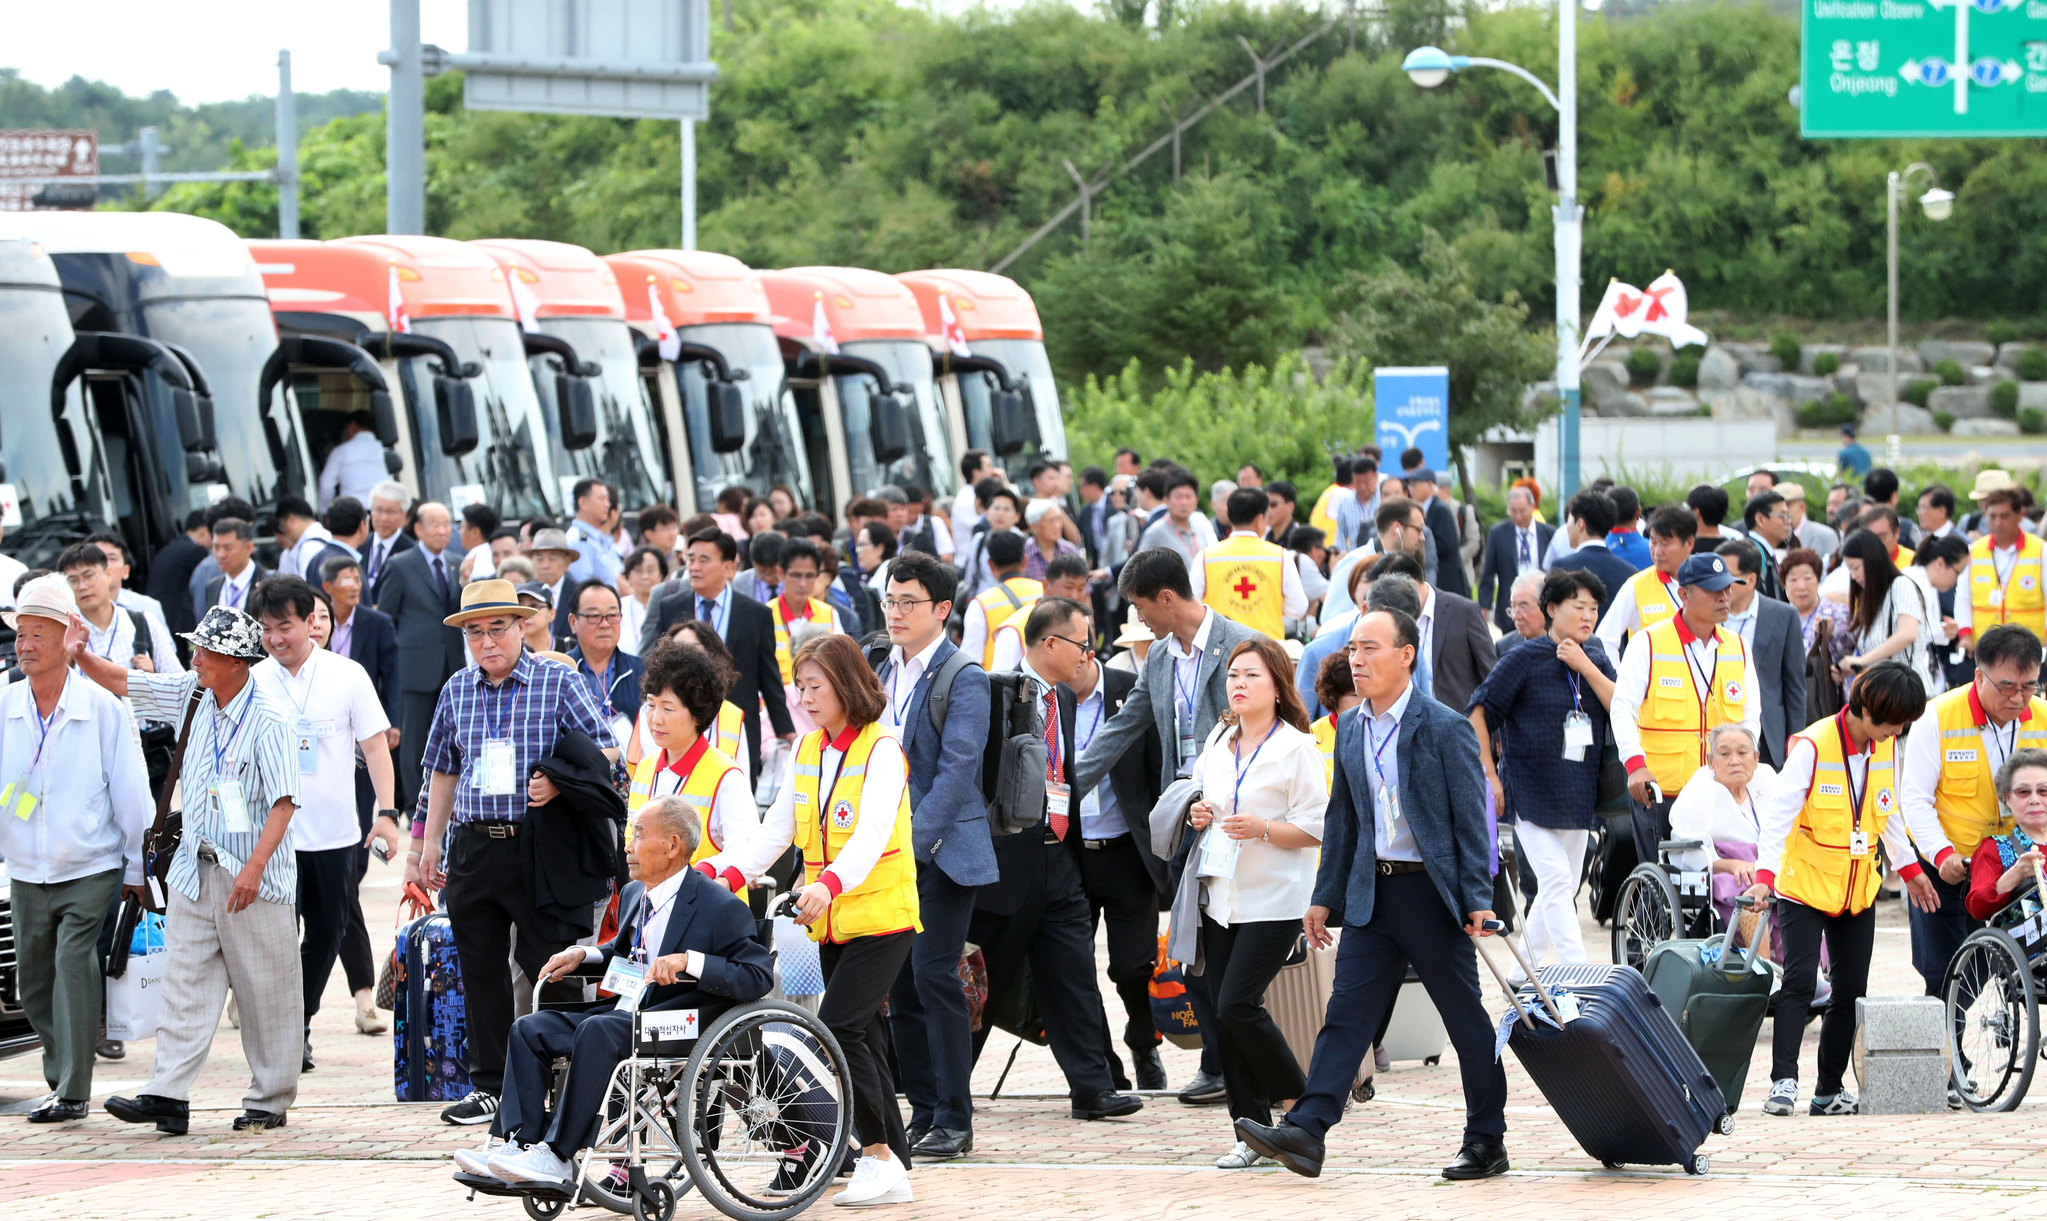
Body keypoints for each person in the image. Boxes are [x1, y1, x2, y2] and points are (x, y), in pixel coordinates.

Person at [1234, 607, 1506, 1180]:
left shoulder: (1443, 725)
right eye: (1353, 648)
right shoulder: (1351, 727)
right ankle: (1308, 1131)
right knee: (1346, 1017)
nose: (1357, 659)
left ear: (1405, 655)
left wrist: (1477, 898)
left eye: (1371, 648)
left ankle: (1487, 1140)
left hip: (1432, 897)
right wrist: (1324, 895)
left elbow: (1470, 824)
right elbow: (1345, 821)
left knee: (1465, 1021)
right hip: (1370, 896)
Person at [464, 795, 774, 1189]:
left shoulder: (719, 905)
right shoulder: (633, 894)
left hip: (677, 1021)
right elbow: (626, 953)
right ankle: (519, 1143)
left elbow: (756, 974)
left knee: (598, 1031)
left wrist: (689, 962)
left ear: (673, 845)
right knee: (528, 1029)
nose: (627, 846)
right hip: (626, 1013)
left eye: (639, 835)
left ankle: (557, 1155)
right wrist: (584, 953)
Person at [74, 605, 303, 1136]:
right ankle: (167, 1094)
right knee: (182, 983)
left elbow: (284, 804)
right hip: (193, 868)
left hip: (253, 878)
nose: (194, 657)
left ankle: (270, 1097)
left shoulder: (270, 719)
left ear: (236, 660)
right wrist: (79, 652)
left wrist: (253, 868)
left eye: (205, 650)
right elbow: (120, 680)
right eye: (196, 648)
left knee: (265, 990)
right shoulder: (191, 694)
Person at [416, 578, 619, 1126]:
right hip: (474, 845)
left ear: (521, 626)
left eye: (497, 629)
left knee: (549, 967)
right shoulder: (457, 688)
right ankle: (488, 1086)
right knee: (477, 968)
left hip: (540, 845)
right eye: (475, 633)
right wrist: (429, 844)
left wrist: (556, 779)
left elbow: (605, 751)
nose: (487, 643)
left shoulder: (557, 680)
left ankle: (565, 1079)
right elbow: (442, 767)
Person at [1074, 548, 1266, 1105]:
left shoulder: (1242, 646)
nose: (1141, 623)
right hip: (1182, 816)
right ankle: (1218, 1058)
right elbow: (1124, 726)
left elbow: (1270, 725)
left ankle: (1233, 1060)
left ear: (1167, 597)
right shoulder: (1158, 659)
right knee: (1192, 944)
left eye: (1141, 608)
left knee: (1234, 941)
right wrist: (1062, 789)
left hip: (1232, 817)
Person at [739, 634, 924, 1205]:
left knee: (840, 1028)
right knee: (862, 1034)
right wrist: (725, 871)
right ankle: (892, 1160)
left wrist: (826, 883)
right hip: (831, 920)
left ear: (846, 684)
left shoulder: (882, 749)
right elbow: (777, 830)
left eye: (815, 686)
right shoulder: (808, 750)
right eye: (800, 688)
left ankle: (875, 1156)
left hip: (882, 914)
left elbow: (869, 835)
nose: (806, 697)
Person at [972, 598, 1146, 1120]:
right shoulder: (990, 694)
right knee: (987, 982)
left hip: (1061, 860)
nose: (1088, 656)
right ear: (1050, 643)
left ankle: (1092, 1088)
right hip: (1005, 866)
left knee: (1073, 975)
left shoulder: (1063, 699)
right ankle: (942, 1090)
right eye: (1081, 644)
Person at [1746, 663, 1938, 1117]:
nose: (1898, 731)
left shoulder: (1886, 747)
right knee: (1797, 982)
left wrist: (1909, 869)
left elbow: (1886, 812)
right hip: (1806, 886)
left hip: (1857, 890)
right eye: (1894, 722)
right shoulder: (1813, 746)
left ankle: (1828, 1090)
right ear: (1867, 709)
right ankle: (1783, 1083)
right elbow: (1778, 817)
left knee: (1851, 990)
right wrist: (1764, 877)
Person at [1, 576, 152, 1123]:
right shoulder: (6, 706)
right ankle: (59, 1074)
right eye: (21, 635)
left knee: (72, 963)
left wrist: (137, 865)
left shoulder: (102, 708)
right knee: (35, 982)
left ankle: (72, 1091)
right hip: (25, 867)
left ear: (69, 638)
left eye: (39, 634)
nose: (26, 646)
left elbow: (132, 793)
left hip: (90, 864)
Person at [869, 550, 999, 1159]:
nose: (895, 613)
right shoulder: (877, 666)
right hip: (884, 850)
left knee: (933, 974)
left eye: (908, 603)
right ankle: (922, 1111)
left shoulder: (961, 675)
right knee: (900, 984)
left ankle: (955, 1115)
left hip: (942, 851)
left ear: (942, 610)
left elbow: (957, 771)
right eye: (890, 601)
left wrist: (912, 846)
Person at [240, 577, 398, 1073]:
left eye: (285, 626)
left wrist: (388, 815)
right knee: (275, 938)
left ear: (312, 623)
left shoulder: (347, 675)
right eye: (266, 629)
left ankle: (299, 1019)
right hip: (270, 838)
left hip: (332, 834)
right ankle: (287, 1034)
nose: (276, 638)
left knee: (328, 931)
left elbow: (374, 747)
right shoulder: (252, 680)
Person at [1184, 638, 1326, 1168]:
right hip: (1221, 892)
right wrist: (1199, 812)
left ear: (1277, 686)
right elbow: (1199, 793)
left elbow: (1316, 826)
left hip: (1275, 898)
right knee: (1226, 1019)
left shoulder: (1297, 748)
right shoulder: (1220, 739)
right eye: (1233, 676)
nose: (1239, 685)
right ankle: (1253, 1136)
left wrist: (1265, 828)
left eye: (1252, 676)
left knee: (1236, 1005)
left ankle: (1301, 1102)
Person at [1469, 569, 1616, 967]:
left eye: (1594, 608)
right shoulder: (1522, 657)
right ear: (1552, 609)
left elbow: (1621, 707)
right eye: (1579, 607)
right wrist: (1490, 774)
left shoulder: (1596, 657)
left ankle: (1521, 974)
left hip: (1578, 790)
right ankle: (1579, 973)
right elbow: (1479, 713)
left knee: (1561, 889)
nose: (1589, 616)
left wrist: (1586, 666)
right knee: (1554, 882)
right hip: (1530, 790)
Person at [1901, 624, 2047, 995]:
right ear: (1979, 676)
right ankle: (1947, 1049)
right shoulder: (1937, 717)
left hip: (2019, 866)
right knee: (1945, 972)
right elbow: (1915, 799)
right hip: (1951, 866)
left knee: (2016, 969)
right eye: (2007, 687)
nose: (2018, 698)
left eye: (2028, 685)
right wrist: (1942, 854)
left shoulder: (2043, 717)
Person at [1064, 617, 1169, 1095]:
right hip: (1073, 856)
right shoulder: (1048, 703)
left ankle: (1143, 1039)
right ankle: (1103, 1066)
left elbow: (1155, 765)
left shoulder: (1131, 691)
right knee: (1073, 968)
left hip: (1128, 853)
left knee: (1132, 966)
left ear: (1087, 654)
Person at [1612, 552, 1764, 866]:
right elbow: (1622, 707)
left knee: (1717, 880)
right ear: (1685, 594)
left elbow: (1751, 715)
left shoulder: (1738, 647)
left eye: (1727, 589)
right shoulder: (1648, 643)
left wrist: (1741, 765)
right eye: (1713, 591)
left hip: (1718, 791)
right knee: (1660, 877)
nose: (1724, 598)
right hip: (1661, 787)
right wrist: (1635, 764)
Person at [640, 527, 794, 779]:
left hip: (738, 730)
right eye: (690, 558)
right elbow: (655, 665)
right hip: (682, 728)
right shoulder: (671, 606)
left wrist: (785, 730)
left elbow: (770, 678)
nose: (694, 566)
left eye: (704, 559)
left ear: (729, 567)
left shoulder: (756, 614)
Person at [622, 641, 756, 892]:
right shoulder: (645, 768)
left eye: (668, 708)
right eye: (651, 705)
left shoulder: (725, 775)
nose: (655, 719)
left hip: (707, 913)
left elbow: (747, 847)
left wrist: (701, 872)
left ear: (697, 714)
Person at [376, 501, 465, 812]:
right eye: (435, 524)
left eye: (447, 524)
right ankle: (416, 804)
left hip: (452, 662)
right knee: (413, 740)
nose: (443, 530)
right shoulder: (400, 564)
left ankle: (452, 800)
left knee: (455, 734)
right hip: (414, 665)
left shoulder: (458, 562)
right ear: (418, 528)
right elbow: (386, 618)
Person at [1667, 725, 1777, 931]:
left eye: (1742, 753)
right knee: (1749, 895)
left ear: (1755, 758)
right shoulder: (1700, 790)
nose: (1734, 760)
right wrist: (1732, 864)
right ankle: (1761, 963)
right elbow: (1691, 853)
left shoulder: (1768, 781)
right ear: (1710, 761)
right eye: (1724, 754)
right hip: (1722, 874)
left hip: (1768, 868)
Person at [1717, 539, 1807, 770]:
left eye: (1727, 576)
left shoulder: (1783, 615)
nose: (1718, 584)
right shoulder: (1708, 614)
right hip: (1717, 725)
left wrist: (1795, 744)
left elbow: (1794, 685)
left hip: (1767, 733)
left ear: (1750, 580)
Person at [1189, 487, 1307, 642]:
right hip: (1267, 648)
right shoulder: (1280, 556)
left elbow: (1192, 606)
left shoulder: (1206, 557)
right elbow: (1298, 608)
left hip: (1220, 648)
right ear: (1260, 519)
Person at [1595, 503, 1697, 653]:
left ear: (1689, 543)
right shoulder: (1637, 586)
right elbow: (1605, 639)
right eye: (1653, 542)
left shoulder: (1707, 583)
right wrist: (1618, 675)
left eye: (1665, 544)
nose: (1657, 552)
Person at [1837, 528, 1928, 693]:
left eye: (1856, 567)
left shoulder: (1901, 585)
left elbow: (1907, 634)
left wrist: (1862, 660)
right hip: (1886, 696)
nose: (1853, 576)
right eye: (1849, 570)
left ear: (1872, 561)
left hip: (1909, 696)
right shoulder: (1872, 599)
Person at [1965, 749, 2047, 920]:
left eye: (2043, 791)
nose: (2034, 800)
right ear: (2007, 798)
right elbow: (1977, 907)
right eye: (2023, 792)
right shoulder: (1994, 848)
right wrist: (2016, 874)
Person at [1958, 487, 2045, 649]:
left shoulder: (2041, 551)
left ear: (2020, 515)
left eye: (2004, 516)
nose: (1998, 523)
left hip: (2030, 647)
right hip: (1987, 646)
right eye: (1992, 516)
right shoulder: (1974, 551)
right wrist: (1965, 634)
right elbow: (1963, 597)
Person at [567, 579, 644, 736]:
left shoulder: (643, 671)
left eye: (612, 615)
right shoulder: (561, 671)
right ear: (573, 622)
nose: (605, 624)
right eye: (594, 616)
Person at [1549, 489, 1634, 623]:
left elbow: (1554, 618)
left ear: (1580, 524)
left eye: (1569, 521)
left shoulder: (1563, 567)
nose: (1567, 527)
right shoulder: (1630, 572)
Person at [1477, 486, 1553, 632]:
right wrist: (1484, 605)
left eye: (1522, 511)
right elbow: (1488, 571)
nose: (1518, 516)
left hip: (1539, 604)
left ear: (1532, 507)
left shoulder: (1548, 533)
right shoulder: (1498, 533)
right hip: (1509, 607)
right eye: (1513, 511)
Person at [963, 532, 1040, 669]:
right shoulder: (1044, 592)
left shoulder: (981, 604)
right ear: (1025, 560)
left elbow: (970, 660)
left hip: (999, 686)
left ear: (990, 565)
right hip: (1042, 684)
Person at [1138, 469, 1218, 568]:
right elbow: (1139, 569)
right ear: (1166, 500)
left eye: (1188, 497)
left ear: (1196, 500)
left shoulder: (1200, 528)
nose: (1184, 503)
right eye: (1178, 497)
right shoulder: (1155, 532)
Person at [317, 413, 385, 509]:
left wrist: (324, 511)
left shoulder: (341, 452)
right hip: (381, 513)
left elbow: (326, 486)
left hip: (351, 513)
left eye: (346, 427)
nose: (345, 432)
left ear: (352, 425)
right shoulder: (385, 451)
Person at [201, 519, 269, 613]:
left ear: (248, 548)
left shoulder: (270, 583)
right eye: (216, 548)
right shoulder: (212, 587)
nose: (220, 555)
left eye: (227, 548)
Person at [361, 480, 416, 593]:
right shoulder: (360, 544)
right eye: (379, 510)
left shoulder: (411, 551)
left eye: (391, 512)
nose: (383, 518)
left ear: (404, 515)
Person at [619, 545, 666, 655]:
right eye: (638, 571)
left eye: (650, 571)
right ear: (628, 576)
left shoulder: (669, 605)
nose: (644, 576)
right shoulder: (618, 606)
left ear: (661, 574)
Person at [1782, 483, 1839, 562]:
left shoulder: (1826, 535)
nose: (1783, 511)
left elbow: (1833, 571)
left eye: (1787, 505)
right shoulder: (1771, 537)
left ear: (1802, 507)